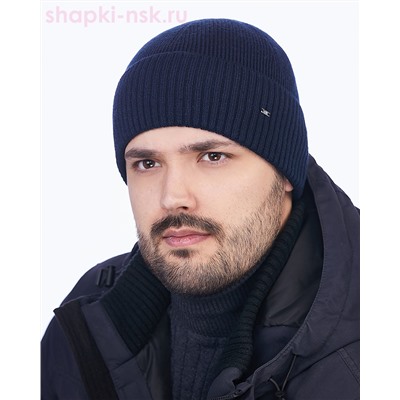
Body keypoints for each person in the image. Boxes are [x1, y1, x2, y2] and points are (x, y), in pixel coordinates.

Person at [41, 18, 359, 400]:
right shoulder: (86, 325)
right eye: (147, 163)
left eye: (212, 157)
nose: (172, 197)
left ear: (285, 172)